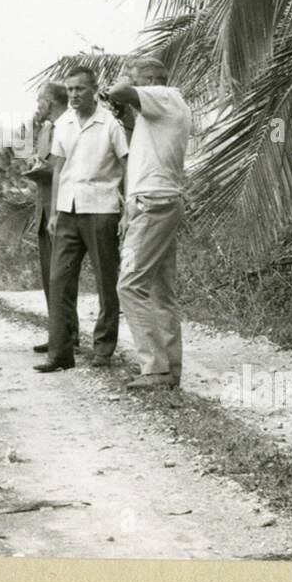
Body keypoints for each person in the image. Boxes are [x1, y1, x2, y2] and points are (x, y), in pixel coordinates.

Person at [106, 57, 194, 390]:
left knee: (129, 285)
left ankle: (155, 368)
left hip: (153, 203)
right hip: (160, 201)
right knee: (160, 292)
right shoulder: (166, 107)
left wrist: (122, 83)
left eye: (138, 79)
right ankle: (170, 367)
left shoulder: (166, 95)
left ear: (153, 80)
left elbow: (117, 90)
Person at [37, 66, 129, 373]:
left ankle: (103, 349)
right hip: (67, 212)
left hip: (102, 210)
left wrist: (128, 208)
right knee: (59, 282)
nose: (74, 94)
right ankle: (60, 353)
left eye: (80, 89)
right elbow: (58, 169)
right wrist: (53, 213)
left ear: (93, 90)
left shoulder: (110, 124)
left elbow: (128, 165)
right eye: (71, 89)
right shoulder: (63, 123)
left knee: (106, 281)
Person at [25, 81, 68, 354]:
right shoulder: (46, 129)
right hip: (43, 209)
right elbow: (45, 163)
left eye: (40, 100)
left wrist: (42, 168)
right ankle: (59, 333)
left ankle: (65, 335)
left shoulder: (67, 126)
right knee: (49, 275)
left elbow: (59, 166)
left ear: (50, 101)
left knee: (60, 276)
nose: (37, 106)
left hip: (60, 209)